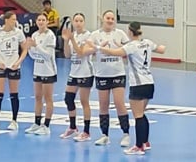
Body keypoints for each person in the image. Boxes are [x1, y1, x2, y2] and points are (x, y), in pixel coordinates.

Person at [96, 21, 165, 155]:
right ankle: (145, 142)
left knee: (138, 116)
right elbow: (161, 49)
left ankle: (139, 146)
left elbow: (115, 53)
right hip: (149, 83)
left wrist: (100, 48)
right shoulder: (147, 42)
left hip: (138, 84)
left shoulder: (131, 46)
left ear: (130, 32)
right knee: (142, 114)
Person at [89, 10, 131, 147]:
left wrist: (121, 47)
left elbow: (129, 49)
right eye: (108, 18)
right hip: (102, 74)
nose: (110, 20)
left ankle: (126, 134)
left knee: (119, 103)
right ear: (103, 19)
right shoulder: (95, 34)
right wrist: (98, 48)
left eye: (112, 18)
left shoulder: (120, 33)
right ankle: (104, 135)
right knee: (103, 105)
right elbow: (88, 48)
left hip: (117, 73)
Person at [0, 11, 28, 131]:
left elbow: (25, 49)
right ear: (6, 20)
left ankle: (14, 121)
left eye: (15, 19)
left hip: (14, 66)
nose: (15, 21)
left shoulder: (18, 32)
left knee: (14, 95)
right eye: (13, 19)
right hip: (1, 66)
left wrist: (18, 62)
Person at [60, 12, 94, 142]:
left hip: (85, 72)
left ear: (84, 22)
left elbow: (80, 53)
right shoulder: (72, 35)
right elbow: (67, 55)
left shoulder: (88, 36)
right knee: (68, 99)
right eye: (76, 21)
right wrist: (66, 41)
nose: (78, 23)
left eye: (81, 21)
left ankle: (86, 131)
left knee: (84, 101)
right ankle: (73, 127)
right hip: (74, 72)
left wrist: (72, 39)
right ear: (73, 23)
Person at [25, 13, 57, 135]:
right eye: (39, 20)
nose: (41, 22)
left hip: (48, 71)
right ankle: (37, 123)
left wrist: (36, 46)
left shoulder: (50, 35)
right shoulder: (35, 35)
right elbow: (33, 55)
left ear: (47, 22)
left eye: (43, 20)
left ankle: (46, 126)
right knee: (38, 97)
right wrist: (29, 48)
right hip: (37, 70)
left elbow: (48, 55)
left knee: (48, 98)